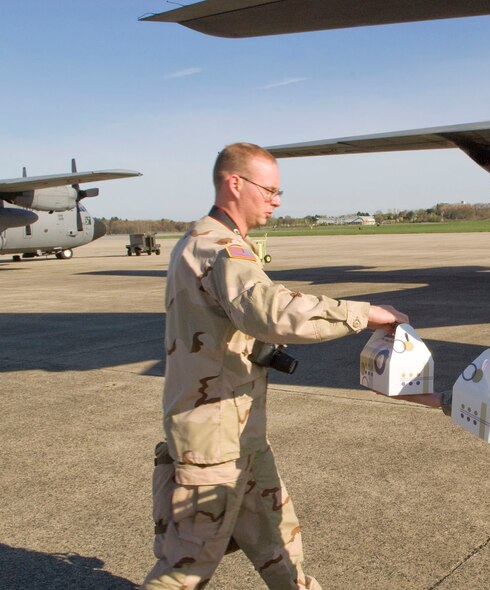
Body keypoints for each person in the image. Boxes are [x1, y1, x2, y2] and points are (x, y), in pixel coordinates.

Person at [143, 143, 408, 590]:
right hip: (213, 448)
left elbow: (230, 328)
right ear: (234, 184)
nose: (277, 200)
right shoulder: (219, 246)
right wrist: (362, 313)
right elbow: (268, 311)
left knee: (282, 548)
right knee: (184, 570)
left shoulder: (204, 240)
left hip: (241, 436)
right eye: (269, 190)